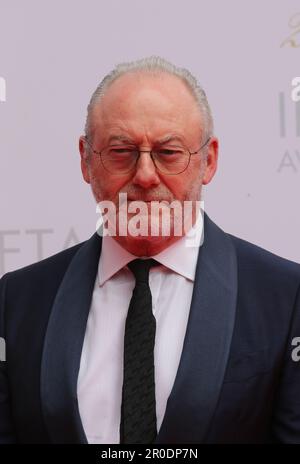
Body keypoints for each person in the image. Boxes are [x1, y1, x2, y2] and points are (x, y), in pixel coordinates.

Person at [0, 56, 300, 444]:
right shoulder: (17, 301)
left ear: (208, 161)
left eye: (168, 153)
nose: (144, 175)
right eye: (121, 151)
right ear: (86, 160)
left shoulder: (285, 297)